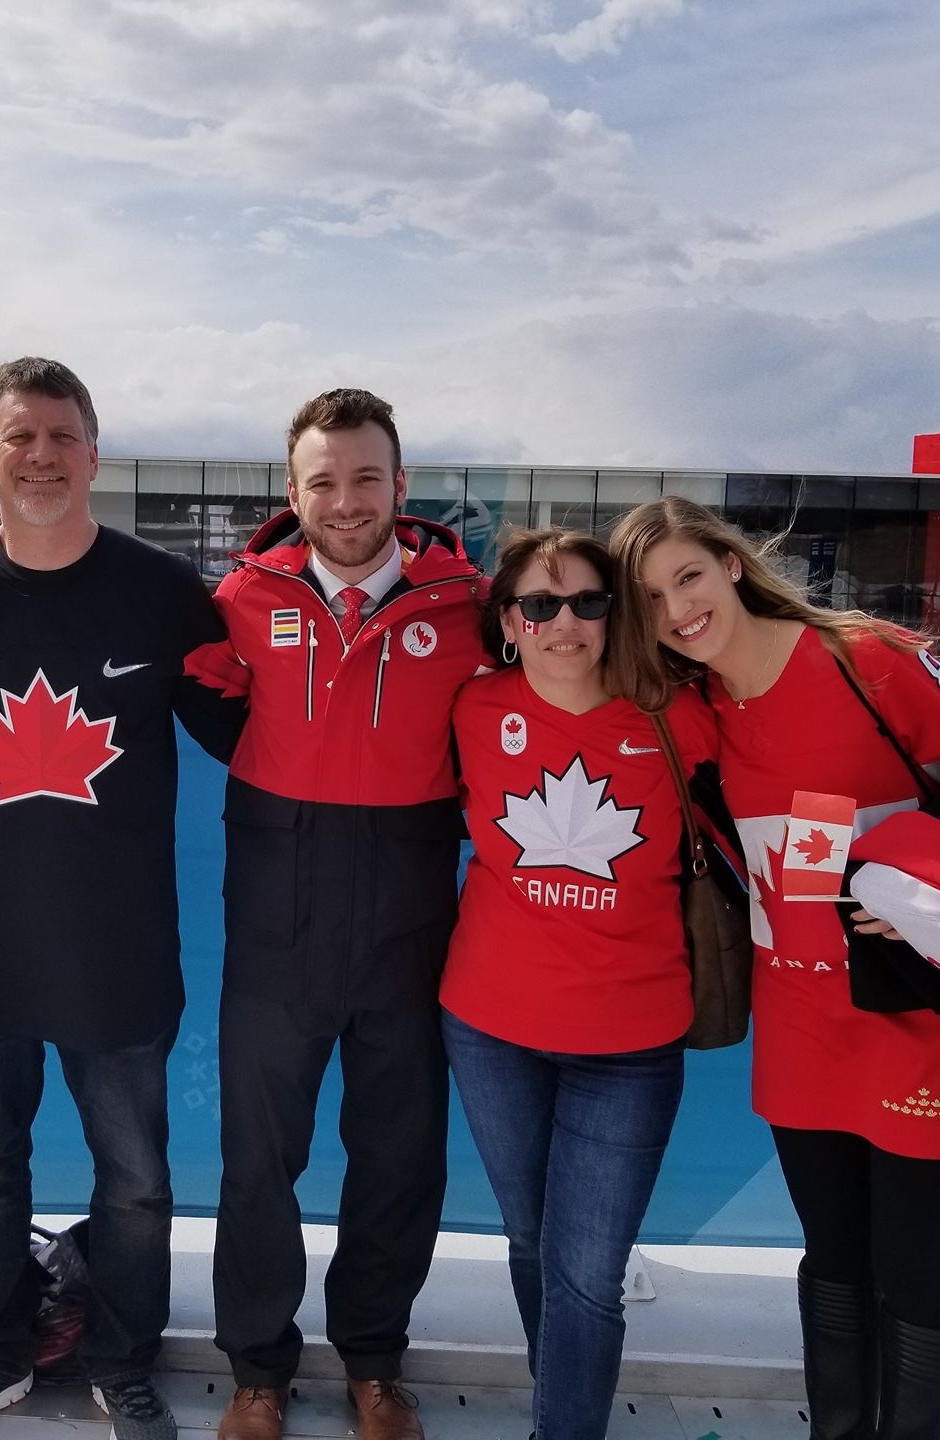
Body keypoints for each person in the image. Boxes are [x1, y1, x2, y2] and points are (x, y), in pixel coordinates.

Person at [0, 357, 244, 1440]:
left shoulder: (166, 594)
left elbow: (253, 721)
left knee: (135, 1182)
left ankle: (124, 1363)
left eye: (62, 436)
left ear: (95, 451)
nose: (42, 457)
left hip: (117, 948)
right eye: (20, 437)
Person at [191, 389, 488, 1440]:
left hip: (409, 919)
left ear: (401, 487)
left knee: (400, 1153)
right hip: (278, 915)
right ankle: (259, 1372)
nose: (346, 499)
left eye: (367, 477)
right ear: (293, 491)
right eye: (324, 479)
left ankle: (373, 1361)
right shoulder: (236, 600)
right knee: (256, 1161)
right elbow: (197, 708)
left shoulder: (474, 609)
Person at [610, 495, 940, 1440]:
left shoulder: (864, 659)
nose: (678, 611)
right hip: (799, 1022)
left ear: (732, 566)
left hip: (910, 1019)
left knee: (918, 1267)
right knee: (833, 1257)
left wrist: (914, 887)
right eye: (651, 598)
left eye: (689, 576)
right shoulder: (696, 712)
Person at [439, 527, 728, 1440]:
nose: (565, 623)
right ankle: (556, 1404)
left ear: (617, 615)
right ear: (509, 622)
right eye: (540, 604)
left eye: (589, 603)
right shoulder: (473, 707)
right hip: (489, 1025)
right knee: (533, 1243)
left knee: (587, 1273)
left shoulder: (679, 717)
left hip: (631, 1043)